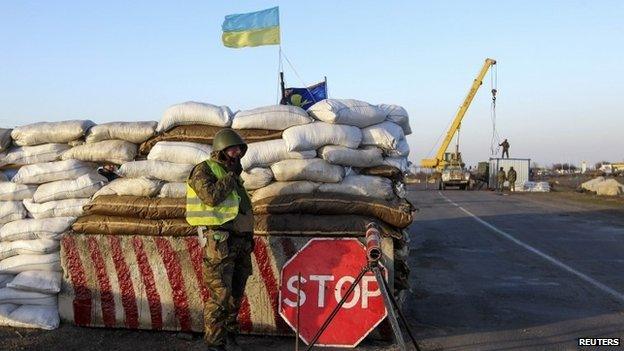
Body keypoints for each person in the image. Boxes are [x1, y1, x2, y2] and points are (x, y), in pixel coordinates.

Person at [186, 129, 253, 351]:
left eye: (240, 150)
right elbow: (211, 197)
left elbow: (240, 208)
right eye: (233, 149)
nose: (237, 153)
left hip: (240, 243)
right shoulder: (204, 169)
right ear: (221, 149)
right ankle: (215, 344)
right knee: (220, 295)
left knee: (236, 294)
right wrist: (231, 177)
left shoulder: (233, 174)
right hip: (219, 244)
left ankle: (231, 337)